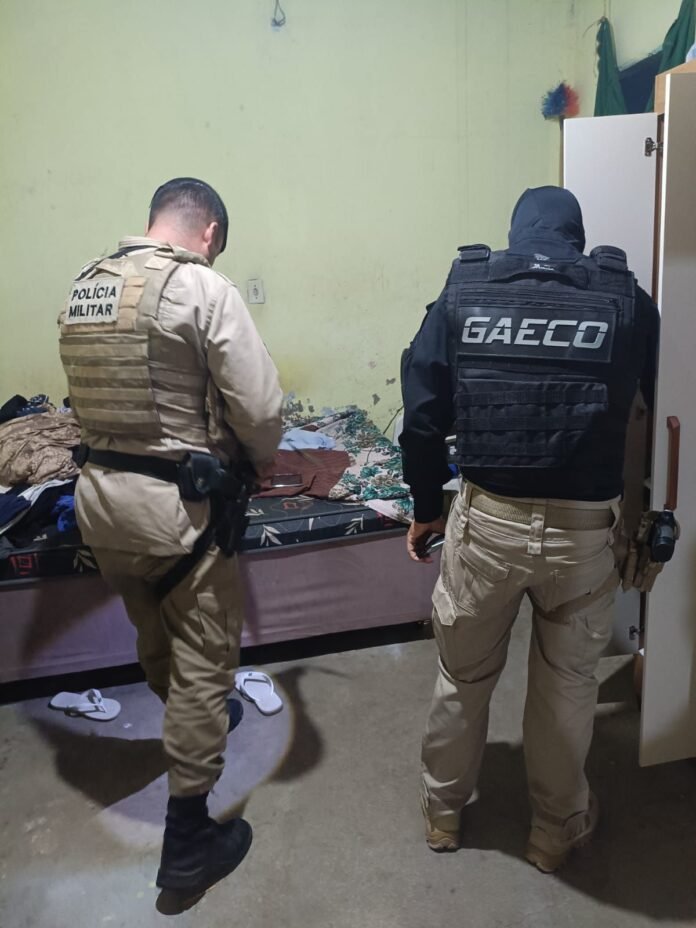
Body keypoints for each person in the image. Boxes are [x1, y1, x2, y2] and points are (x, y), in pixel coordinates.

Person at [399, 186, 659, 873]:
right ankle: (554, 831)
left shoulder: (466, 288)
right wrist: (651, 512)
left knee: (463, 676)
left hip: (487, 523)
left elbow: (421, 414)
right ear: (577, 236)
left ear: (516, 233)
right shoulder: (626, 298)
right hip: (584, 536)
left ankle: (443, 813)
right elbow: (667, 410)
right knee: (567, 686)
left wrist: (427, 506)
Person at [58, 178, 283, 896]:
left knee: (154, 635)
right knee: (204, 665)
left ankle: (195, 718)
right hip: (180, 516)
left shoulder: (86, 286)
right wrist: (258, 461)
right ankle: (189, 839)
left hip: (101, 506)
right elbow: (260, 409)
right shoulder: (202, 288)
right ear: (209, 231)